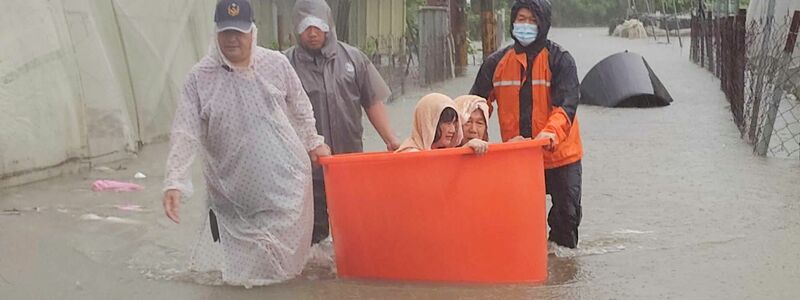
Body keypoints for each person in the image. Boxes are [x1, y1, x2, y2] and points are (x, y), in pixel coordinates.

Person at [161, 0, 330, 286]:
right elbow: (185, 131)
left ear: (253, 31)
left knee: (285, 273)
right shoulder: (199, 78)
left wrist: (313, 142)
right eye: (226, 32)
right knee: (240, 278)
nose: (232, 39)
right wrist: (175, 181)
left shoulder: (275, 64)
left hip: (285, 189)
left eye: (239, 32)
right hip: (232, 194)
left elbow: (301, 106)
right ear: (216, 33)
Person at [469, 0, 584, 248]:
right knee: (515, 220)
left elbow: (566, 107)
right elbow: (475, 106)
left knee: (567, 218)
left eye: (532, 20)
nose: (526, 25)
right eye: (521, 19)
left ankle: (561, 273)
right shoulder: (495, 63)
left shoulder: (561, 60)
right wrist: (469, 134)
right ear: (512, 22)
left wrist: (549, 135)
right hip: (517, 156)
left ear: (543, 24)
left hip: (560, 156)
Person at [285, 0, 401, 244]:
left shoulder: (354, 58)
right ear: (296, 28)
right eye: (306, 27)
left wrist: (391, 140)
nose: (313, 32)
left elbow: (372, 102)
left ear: (328, 25)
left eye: (318, 25)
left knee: (354, 233)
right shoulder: (285, 65)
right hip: (306, 172)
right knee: (310, 240)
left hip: (350, 166)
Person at [396, 93, 488, 154]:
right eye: (447, 123)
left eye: (454, 123)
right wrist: (464, 152)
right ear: (429, 123)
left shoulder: (444, 151)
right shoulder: (409, 153)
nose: (452, 130)